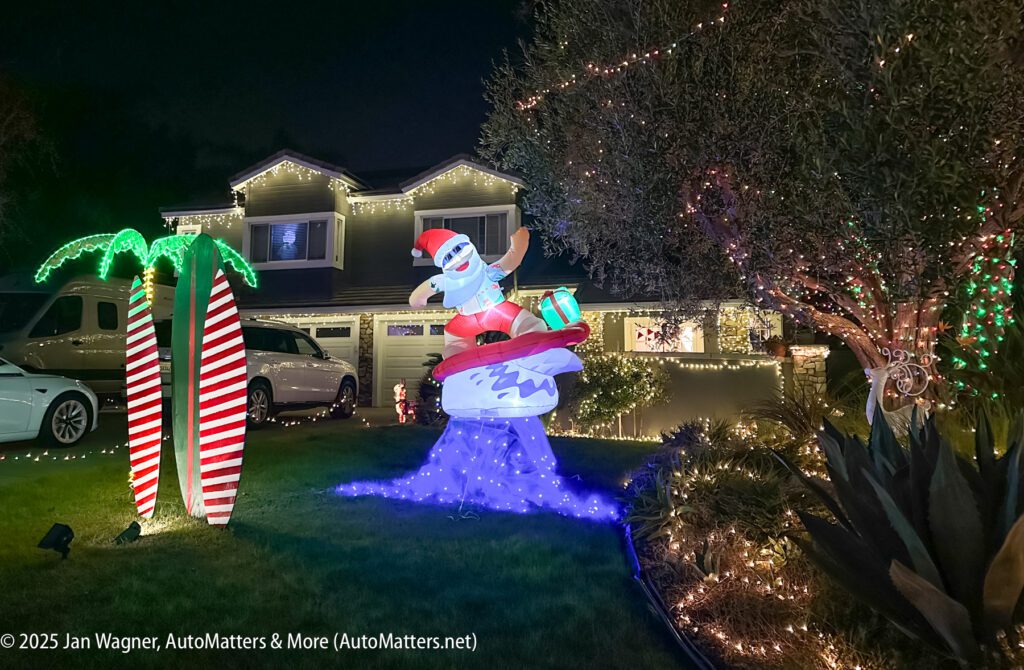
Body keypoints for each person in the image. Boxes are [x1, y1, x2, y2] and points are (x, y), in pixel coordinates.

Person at [408, 227, 546, 359]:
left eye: (458, 249)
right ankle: (458, 353)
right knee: (453, 333)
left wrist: (518, 246)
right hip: (467, 319)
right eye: (448, 257)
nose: (457, 259)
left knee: (522, 322)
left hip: (497, 311)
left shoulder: (486, 272)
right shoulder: (445, 281)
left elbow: (510, 262)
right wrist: (418, 299)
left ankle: (530, 335)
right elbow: (427, 288)